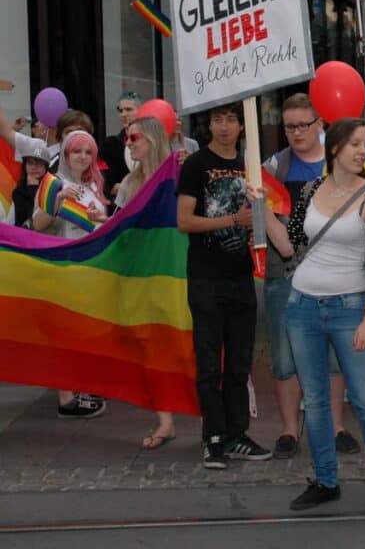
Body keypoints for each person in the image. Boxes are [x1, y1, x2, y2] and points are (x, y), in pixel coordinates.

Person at [275, 118, 365, 515]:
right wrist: (263, 213)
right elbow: (292, 245)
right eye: (354, 143)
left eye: (364, 145)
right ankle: (326, 481)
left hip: (351, 307)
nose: (360, 152)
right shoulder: (312, 190)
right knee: (314, 401)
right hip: (302, 306)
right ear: (334, 148)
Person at [261, 93, 359, 460]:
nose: (297, 132)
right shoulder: (274, 166)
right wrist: (284, 245)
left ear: (321, 124)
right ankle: (289, 431)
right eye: (290, 126)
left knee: (335, 352)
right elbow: (261, 209)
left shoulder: (339, 164)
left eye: (304, 124)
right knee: (285, 356)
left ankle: (336, 427)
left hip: (335, 270)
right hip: (285, 271)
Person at [176, 102, 271, 469]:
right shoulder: (195, 165)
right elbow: (185, 220)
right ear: (209, 124)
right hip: (205, 276)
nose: (225, 126)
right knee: (209, 362)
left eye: (232, 119)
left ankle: (236, 434)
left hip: (241, 274)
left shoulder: (251, 165)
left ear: (241, 125)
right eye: (218, 119)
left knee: (240, 362)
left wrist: (257, 220)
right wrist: (234, 218)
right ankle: (212, 437)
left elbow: (264, 215)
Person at [33, 130, 110, 418]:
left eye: (88, 152)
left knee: (86, 332)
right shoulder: (52, 184)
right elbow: (37, 224)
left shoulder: (93, 186)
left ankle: (84, 386)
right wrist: (57, 200)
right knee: (65, 334)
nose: (82, 156)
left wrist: (100, 219)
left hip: (92, 269)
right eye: (76, 151)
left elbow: (102, 224)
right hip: (64, 267)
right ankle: (66, 398)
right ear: (65, 154)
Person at [113, 116, 178, 448]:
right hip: (140, 277)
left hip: (174, 276)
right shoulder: (129, 183)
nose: (129, 143)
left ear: (152, 138)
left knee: (184, 344)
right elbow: (118, 229)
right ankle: (165, 420)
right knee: (150, 348)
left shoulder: (177, 177)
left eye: (134, 137)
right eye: (127, 138)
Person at [100, 91, 142, 200]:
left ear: (142, 111)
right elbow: (108, 187)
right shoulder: (110, 144)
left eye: (128, 109)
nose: (123, 114)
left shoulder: (151, 143)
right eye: (120, 110)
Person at [12, 146, 48, 228]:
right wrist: (32, 188)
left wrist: (35, 188)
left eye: (38, 163)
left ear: (45, 167)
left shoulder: (53, 187)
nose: (34, 167)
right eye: (30, 163)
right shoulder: (18, 191)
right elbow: (25, 219)